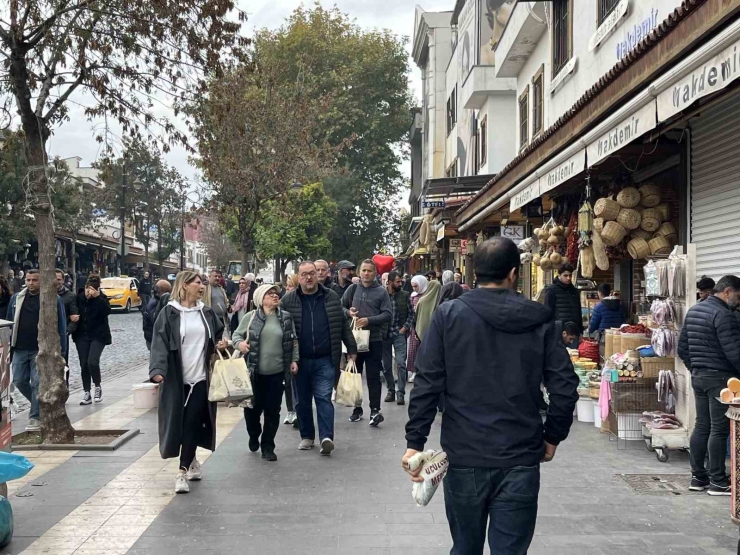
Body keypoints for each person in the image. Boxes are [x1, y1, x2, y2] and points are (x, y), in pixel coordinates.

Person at [403, 237, 579, 555]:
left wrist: (414, 441)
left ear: (475, 273)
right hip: (521, 455)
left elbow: (427, 382)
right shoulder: (540, 319)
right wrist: (552, 437)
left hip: (464, 454)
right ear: (514, 273)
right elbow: (565, 387)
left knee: (465, 547)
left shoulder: (449, 316)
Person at [149, 271, 228, 494]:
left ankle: (181, 472)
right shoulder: (169, 313)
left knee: (192, 423)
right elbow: (159, 343)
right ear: (184, 286)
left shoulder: (207, 313)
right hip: (176, 379)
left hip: (201, 378)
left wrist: (221, 344)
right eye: (197, 282)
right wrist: (157, 370)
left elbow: (218, 336)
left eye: (202, 282)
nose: (201, 286)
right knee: (179, 424)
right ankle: (192, 459)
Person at [281, 261, 357, 455]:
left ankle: (326, 437)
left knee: (323, 398)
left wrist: (351, 348)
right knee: (302, 401)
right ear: (299, 276)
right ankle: (307, 436)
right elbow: (281, 329)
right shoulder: (288, 300)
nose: (309, 277)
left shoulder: (331, 297)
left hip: (325, 358)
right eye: (304, 274)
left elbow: (341, 324)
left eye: (312, 273)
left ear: (318, 275)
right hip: (299, 360)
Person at [678, 275, 740, 496]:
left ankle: (698, 477)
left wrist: (695, 367)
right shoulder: (724, 315)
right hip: (720, 379)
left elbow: (682, 348)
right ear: (727, 292)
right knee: (719, 429)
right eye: (737, 295)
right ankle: (718, 482)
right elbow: (734, 352)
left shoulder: (695, 310)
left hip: (699, 376)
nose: (737, 301)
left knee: (702, 425)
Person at [232, 284, 299, 462]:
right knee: (252, 411)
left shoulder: (285, 317)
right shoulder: (251, 317)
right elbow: (236, 336)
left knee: (273, 411)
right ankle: (254, 435)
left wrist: (294, 359)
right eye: (270, 294)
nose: (275, 296)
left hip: (277, 373)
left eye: (276, 294)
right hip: (254, 373)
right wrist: (240, 345)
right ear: (260, 299)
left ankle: (268, 446)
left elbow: (293, 340)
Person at [6, 269, 67, 432]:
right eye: (28, 280)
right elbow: (9, 323)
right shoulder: (16, 298)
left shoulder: (53, 299)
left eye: (34, 280)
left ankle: (35, 417)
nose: (31, 283)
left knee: (37, 382)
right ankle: (41, 405)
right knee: (19, 380)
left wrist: (62, 351)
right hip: (19, 347)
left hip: (40, 349)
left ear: (41, 281)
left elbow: (61, 325)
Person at [342, 259, 392, 426]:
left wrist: (368, 320)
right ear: (359, 272)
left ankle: (375, 410)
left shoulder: (382, 292)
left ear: (375, 273)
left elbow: (387, 314)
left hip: (374, 339)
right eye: (363, 270)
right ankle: (357, 409)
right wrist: (349, 313)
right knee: (355, 376)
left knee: (373, 377)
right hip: (354, 340)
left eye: (369, 271)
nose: (366, 273)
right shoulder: (352, 288)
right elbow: (340, 307)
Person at [73, 275, 111, 405]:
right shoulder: (79, 298)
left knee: (92, 362)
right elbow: (72, 310)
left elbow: (107, 311)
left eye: (93, 289)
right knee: (84, 364)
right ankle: (86, 391)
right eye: (88, 289)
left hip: (98, 335)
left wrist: (98, 298)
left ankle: (98, 386)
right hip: (82, 335)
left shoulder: (102, 299)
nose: (90, 292)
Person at [382, 271, 414, 406]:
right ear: (389, 282)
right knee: (386, 365)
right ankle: (391, 390)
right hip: (384, 335)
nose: (400, 284)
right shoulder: (382, 295)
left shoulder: (405, 295)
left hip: (399, 333)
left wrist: (405, 328)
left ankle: (400, 392)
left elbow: (412, 314)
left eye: (400, 281)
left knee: (401, 363)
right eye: (397, 282)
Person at [544, 263, 582, 347]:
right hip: (559, 332)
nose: (568, 278)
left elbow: (578, 311)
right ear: (559, 275)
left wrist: (580, 331)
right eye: (565, 275)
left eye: (570, 275)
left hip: (574, 332)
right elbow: (548, 312)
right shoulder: (551, 291)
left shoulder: (574, 291)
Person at [406, 275, 428, 383]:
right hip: (414, 326)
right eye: (413, 286)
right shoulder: (413, 295)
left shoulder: (428, 295)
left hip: (424, 325)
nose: (414, 288)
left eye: (416, 286)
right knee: (414, 349)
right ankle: (414, 371)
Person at [55, 269, 79, 367]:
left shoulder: (70, 296)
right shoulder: (43, 294)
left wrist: (67, 331)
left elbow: (75, 316)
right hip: (44, 334)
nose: (56, 281)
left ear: (63, 280)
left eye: (58, 279)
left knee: (63, 362)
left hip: (61, 334)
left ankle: (65, 382)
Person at [143, 280, 171, 350]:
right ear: (161, 291)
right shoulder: (154, 304)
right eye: (168, 291)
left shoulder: (160, 300)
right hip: (154, 340)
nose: (170, 293)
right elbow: (157, 321)